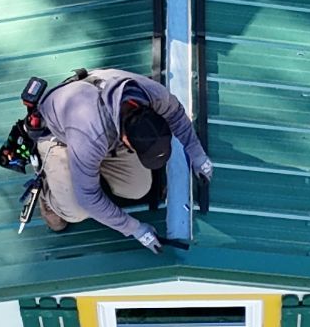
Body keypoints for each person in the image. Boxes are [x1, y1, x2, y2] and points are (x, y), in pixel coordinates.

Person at [32, 69, 212, 252]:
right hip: (60, 138)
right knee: (76, 211)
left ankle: (90, 170)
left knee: (138, 187)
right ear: (126, 140)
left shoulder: (153, 95)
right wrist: (135, 229)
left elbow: (176, 115)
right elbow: (87, 196)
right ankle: (49, 195)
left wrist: (197, 155)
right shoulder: (91, 135)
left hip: (102, 126)